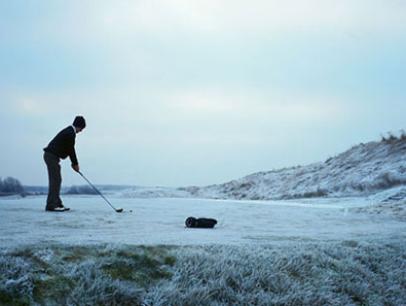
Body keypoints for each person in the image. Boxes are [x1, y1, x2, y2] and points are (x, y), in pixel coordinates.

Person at [43, 116, 86, 212]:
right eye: (82, 128)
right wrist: (75, 164)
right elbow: (71, 149)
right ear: (79, 126)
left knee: (57, 179)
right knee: (55, 180)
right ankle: (52, 205)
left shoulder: (69, 131)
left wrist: (73, 164)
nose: (81, 131)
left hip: (52, 157)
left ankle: (57, 203)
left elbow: (68, 148)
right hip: (51, 156)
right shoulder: (70, 133)